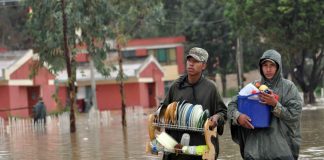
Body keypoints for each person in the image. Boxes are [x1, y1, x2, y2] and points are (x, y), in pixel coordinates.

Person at [228, 49, 303, 159]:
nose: (268, 69)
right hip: (254, 153)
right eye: (265, 65)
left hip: (280, 153)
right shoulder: (253, 86)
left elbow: (294, 115)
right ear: (261, 67)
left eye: (272, 65)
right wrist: (238, 116)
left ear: (278, 67)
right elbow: (231, 105)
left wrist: (275, 105)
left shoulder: (289, 88)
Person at [161, 47, 227, 160]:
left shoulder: (211, 88)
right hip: (176, 151)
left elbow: (224, 113)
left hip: (201, 150)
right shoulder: (176, 86)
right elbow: (163, 110)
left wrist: (216, 118)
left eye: (196, 61)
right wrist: (161, 114)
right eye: (189, 60)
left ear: (204, 66)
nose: (191, 64)